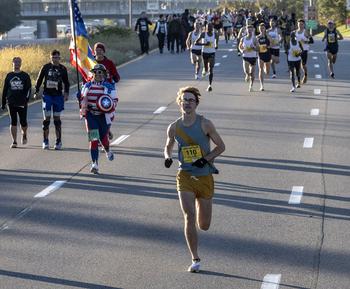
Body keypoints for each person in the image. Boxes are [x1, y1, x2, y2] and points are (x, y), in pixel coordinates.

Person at [164, 86, 225, 273]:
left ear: (196, 104)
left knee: (204, 225)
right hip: (185, 175)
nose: (187, 103)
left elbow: (221, 146)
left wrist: (205, 159)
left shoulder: (205, 124)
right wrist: (167, 157)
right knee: (188, 216)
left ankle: (201, 206)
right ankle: (195, 258)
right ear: (179, 103)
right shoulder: (174, 127)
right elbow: (168, 146)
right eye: (184, 100)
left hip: (204, 175)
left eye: (191, 100)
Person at [80, 64, 117, 174]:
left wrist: (108, 106)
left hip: (103, 116)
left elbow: (114, 100)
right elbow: (82, 99)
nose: (99, 75)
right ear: (93, 73)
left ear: (104, 74)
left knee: (103, 138)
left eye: (101, 72)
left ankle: (108, 150)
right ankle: (94, 163)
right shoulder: (87, 86)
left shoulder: (109, 86)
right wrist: (80, 97)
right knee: (94, 139)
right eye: (97, 72)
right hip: (91, 116)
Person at [34, 50, 70, 150]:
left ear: (60, 58)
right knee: (47, 119)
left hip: (58, 96)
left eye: (57, 58)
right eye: (53, 58)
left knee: (57, 120)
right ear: (50, 58)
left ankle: (58, 141)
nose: (55, 59)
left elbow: (66, 83)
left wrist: (66, 93)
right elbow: (39, 80)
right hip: (47, 96)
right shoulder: (45, 67)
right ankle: (45, 141)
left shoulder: (63, 68)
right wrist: (36, 91)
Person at [1, 57, 31, 148]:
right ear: (12, 63)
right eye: (15, 62)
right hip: (11, 102)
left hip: (22, 102)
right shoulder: (9, 75)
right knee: (13, 121)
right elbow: (5, 89)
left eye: (19, 62)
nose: (17, 63)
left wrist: (26, 100)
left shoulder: (25, 75)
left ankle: (24, 134)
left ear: (21, 64)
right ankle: (14, 141)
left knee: (23, 122)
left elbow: (28, 89)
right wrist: (3, 102)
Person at [94, 42, 120, 140]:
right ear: (94, 51)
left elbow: (116, 75)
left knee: (109, 112)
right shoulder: (91, 62)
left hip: (107, 90)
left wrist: (115, 78)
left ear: (104, 52)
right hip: (94, 90)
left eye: (100, 50)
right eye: (97, 50)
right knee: (93, 114)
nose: (99, 52)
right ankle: (97, 138)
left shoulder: (109, 63)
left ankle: (106, 130)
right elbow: (86, 76)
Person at [196, 22, 218, 92]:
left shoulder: (215, 34)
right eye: (208, 27)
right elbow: (196, 43)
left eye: (210, 27)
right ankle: (204, 70)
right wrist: (204, 44)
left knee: (211, 68)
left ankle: (210, 85)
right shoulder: (203, 34)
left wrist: (216, 45)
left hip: (212, 53)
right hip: (204, 53)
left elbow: (216, 43)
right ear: (205, 28)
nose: (209, 28)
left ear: (212, 28)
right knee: (206, 68)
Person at [239, 25, 258, 92]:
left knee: (252, 73)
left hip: (253, 57)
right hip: (245, 57)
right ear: (246, 31)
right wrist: (241, 51)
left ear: (252, 30)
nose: (249, 31)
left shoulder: (254, 39)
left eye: (250, 30)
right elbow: (240, 46)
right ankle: (247, 75)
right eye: (248, 30)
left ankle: (251, 86)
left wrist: (254, 48)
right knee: (246, 71)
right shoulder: (243, 39)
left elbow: (258, 49)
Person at [295, 19, 313, 84]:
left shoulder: (306, 32)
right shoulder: (295, 32)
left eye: (302, 24)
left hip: (304, 50)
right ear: (297, 24)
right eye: (299, 24)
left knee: (303, 65)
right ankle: (298, 80)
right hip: (296, 50)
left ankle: (305, 75)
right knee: (296, 65)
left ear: (304, 25)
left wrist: (305, 41)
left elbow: (312, 41)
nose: (300, 25)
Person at [256, 24, 271, 91]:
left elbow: (272, 44)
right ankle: (262, 85)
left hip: (267, 54)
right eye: (260, 28)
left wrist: (268, 46)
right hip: (260, 55)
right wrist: (257, 48)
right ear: (259, 29)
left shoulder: (268, 36)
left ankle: (266, 69)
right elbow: (255, 46)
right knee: (260, 69)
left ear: (265, 29)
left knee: (267, 72)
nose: (261, 30)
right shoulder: (257, 37)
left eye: (263, 28)